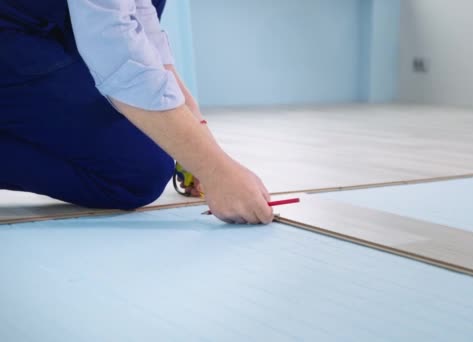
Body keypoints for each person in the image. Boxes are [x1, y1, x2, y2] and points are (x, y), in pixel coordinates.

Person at [0, 0, 273, 224]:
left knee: (150, 150)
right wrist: (216, 170)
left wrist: (198, 132)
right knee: (136, 172)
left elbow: (142, 27)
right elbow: (121, 60)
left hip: (36, 29)